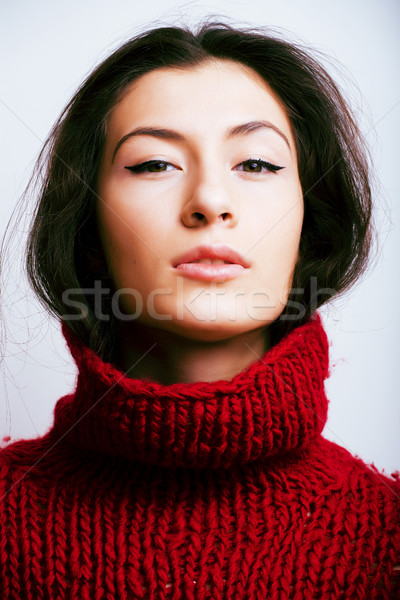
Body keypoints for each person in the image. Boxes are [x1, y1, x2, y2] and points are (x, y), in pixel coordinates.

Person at [0, 20, 399, 599]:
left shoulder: (387, 538)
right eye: (154, 164)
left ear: (312, 225)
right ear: (89, 230)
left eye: (256, 164)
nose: (210, 201)